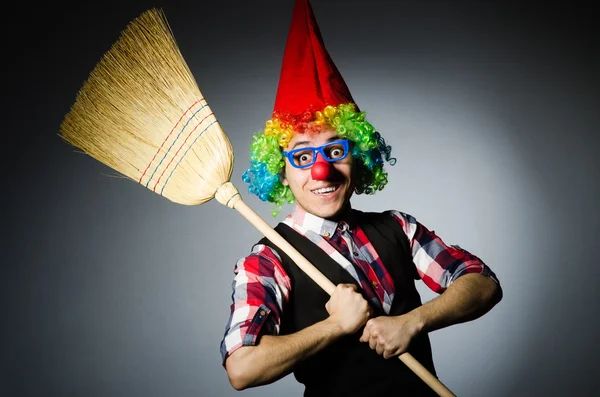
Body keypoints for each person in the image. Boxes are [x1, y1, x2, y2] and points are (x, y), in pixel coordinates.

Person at [220, 1, 502, 396]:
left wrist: (414, 321)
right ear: (280, 170)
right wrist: (336, 325)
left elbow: (483, 283)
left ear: (358, 157)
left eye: (335, 151)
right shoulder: (267, 260)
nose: (322, 171)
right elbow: (242, 368)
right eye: (302, 157)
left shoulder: (398, 228)